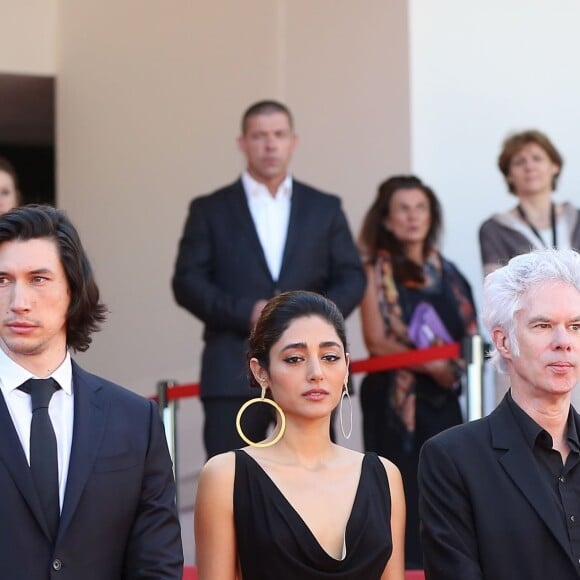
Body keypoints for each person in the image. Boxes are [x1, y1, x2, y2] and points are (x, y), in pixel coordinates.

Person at [172, 100, 365, 458]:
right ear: (242, 143)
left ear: (293, 141)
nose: (270, 145)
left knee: (315, 477)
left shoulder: (324, 207)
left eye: (278, 135)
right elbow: (187, 282)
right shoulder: (210, 209)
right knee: (232, 480)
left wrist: (309, 318)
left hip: (313, 368)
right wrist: (248, 311)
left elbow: (352, 277)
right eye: (259, 136)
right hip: (232, 367)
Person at [0, 205, 183, 579]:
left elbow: (156, 564)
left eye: (38, 279)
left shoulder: (134, 420)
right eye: (2, 280)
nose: (19, 301)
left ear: (73, 288)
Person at [194, 290, 405, 579]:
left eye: (330, 357)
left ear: (346, 367)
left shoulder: (385, 476)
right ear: (261, 372)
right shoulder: (225, 476)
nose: (316, 372)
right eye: (294, 359)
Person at [419, 248, 580, 579]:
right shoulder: (453, 458)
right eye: (543, 325)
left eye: (576, 326)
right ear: (504, 342)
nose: (564, 341)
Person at [358, 175, 478, 569]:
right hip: (394, 403)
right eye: (403, 209)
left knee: (449, 494)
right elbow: (376, 341)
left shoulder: (451, 273)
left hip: (444, 399)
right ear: (388, 220)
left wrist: (451, 369)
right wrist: (430, 364)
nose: (413, 217)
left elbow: (471, 335)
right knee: (399, 498)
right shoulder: (375, 269)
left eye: (421, 208)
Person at [479, 129, 580, 276]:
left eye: (537, 158)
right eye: (520, 162)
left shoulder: (577, 220)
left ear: (554, 166)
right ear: (509, 175)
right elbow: (496, 289)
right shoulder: (494, 229)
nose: (529, 167)